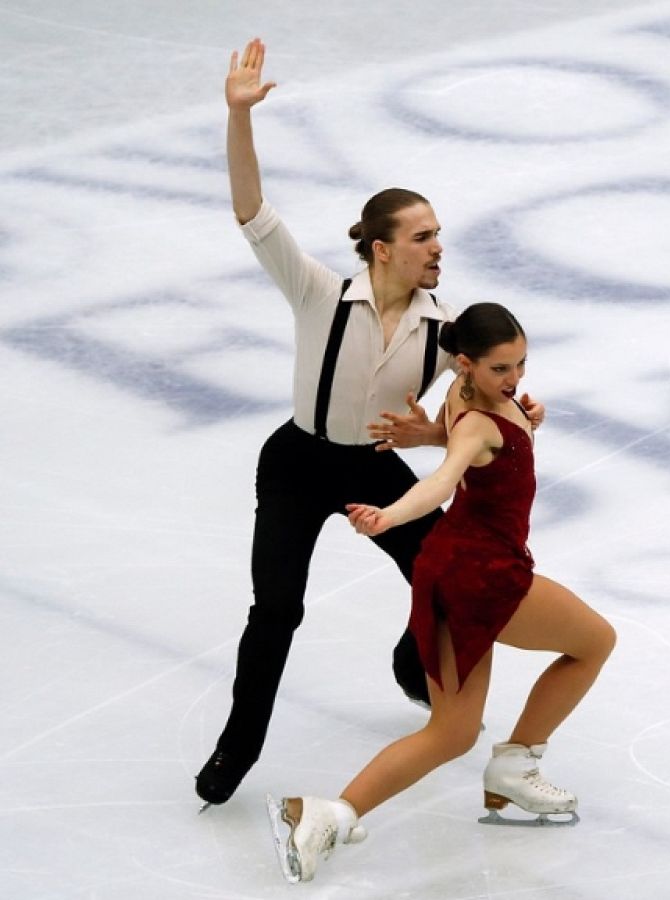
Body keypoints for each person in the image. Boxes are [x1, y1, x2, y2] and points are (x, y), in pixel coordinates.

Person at [196, 38, 526, 809]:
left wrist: (510, 409)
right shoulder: (319, 293)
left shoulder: (443, 325)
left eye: (438, 234)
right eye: (423, 237)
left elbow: (481, 390)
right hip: (297, 463)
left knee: (442, 577)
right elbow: (251, 210)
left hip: (372, 464)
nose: (438, 246)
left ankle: (414, 668)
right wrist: (238, 117)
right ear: (382, 250)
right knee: (277, 608)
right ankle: (235, 749)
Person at [268, 303, 617, 884]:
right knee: (595, 641)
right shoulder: (478, 420)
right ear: (466, 363)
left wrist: (464, 426)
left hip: (447, 568)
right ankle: (517, 762)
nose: (516, 379)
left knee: (451, 733)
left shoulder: (460, 396)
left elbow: (466, 439)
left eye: (521, 363)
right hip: (486, 575)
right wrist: (390, 514)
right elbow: (443, 479)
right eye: (502, 368)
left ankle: (330, 814)